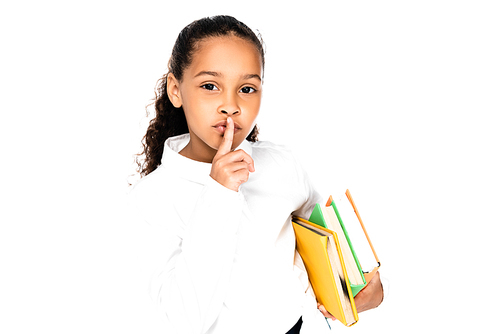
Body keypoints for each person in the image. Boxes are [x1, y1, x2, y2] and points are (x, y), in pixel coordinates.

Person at [131, 15, 383, 334]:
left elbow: (328, 241)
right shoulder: (151, 199)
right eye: (210, 86)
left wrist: (368, 286)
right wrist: (219, 192)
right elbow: (184, 320)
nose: (231, 106)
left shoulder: (281, 164)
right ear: (176, 89)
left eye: (247, 88)